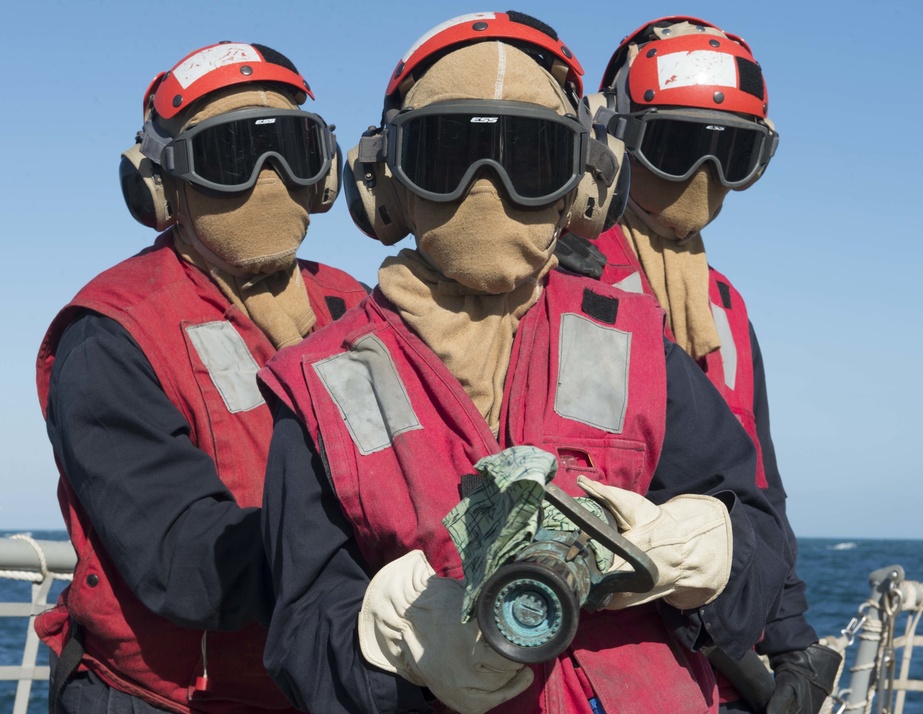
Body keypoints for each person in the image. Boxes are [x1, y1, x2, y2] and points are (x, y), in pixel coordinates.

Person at [259, 11, 793, 714]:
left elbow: (755, 524)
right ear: (386, 184)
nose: (489, 188)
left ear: (585, 184)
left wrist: (713, 553)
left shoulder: (633, 341)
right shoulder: (323, 380)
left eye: (531, 161)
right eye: (449, 156)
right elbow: (303, 628)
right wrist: (395, 651)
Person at [35, 42, 367, 713]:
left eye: (292, 152)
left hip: (327, 684)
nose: (269, 181)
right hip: (163, 699)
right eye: (230, 157)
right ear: (162, 188)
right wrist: (383, 562)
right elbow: (184, 560)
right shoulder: (113, 333)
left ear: (324, 171)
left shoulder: (359, 308)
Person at [559, 16, 842, 713]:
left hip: (713, 669)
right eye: (679, 146)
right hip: (591, 659)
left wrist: (791, 636)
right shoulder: (563, 279)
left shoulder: (723, 306)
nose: (702, 177)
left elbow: (758, 486)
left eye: (730, 155)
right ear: (612, 135)